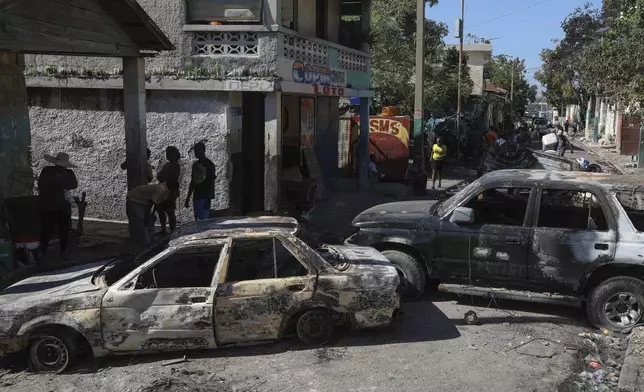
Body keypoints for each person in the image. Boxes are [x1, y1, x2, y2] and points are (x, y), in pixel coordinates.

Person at [37, 152, 78, 260]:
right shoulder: (47, 171)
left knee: (64, 230)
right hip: (48, 205)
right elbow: (41, 184)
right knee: (47, 230)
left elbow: (74, 185)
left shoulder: (68, 173)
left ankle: (63, 251)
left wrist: (58, 182)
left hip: (62, 206)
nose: (61, 167)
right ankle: (42, 250)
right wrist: (60, 183)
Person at [185, 142, 216, 220]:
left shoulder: (209, 165)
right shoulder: (195, 165)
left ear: (203, 150)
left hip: (205, 194)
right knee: (197, 217)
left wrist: (210, 195)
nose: (196, 152)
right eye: (195, 150)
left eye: (198, 150)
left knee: (204, 218)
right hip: (197, 194)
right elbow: (193, 181)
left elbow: (211, 181)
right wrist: (188, 196)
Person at [156, 146, 181, 234]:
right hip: (163, 189)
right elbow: (160, 176)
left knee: (170, 210)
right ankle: (163, 229)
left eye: (169, 153)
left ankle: (172, 230)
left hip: (170, 191)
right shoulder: (167, 164)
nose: (168, 155)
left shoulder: (175, 166)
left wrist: (162, 176)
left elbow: (164, 176)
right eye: (167, 153)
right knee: (160, 209)